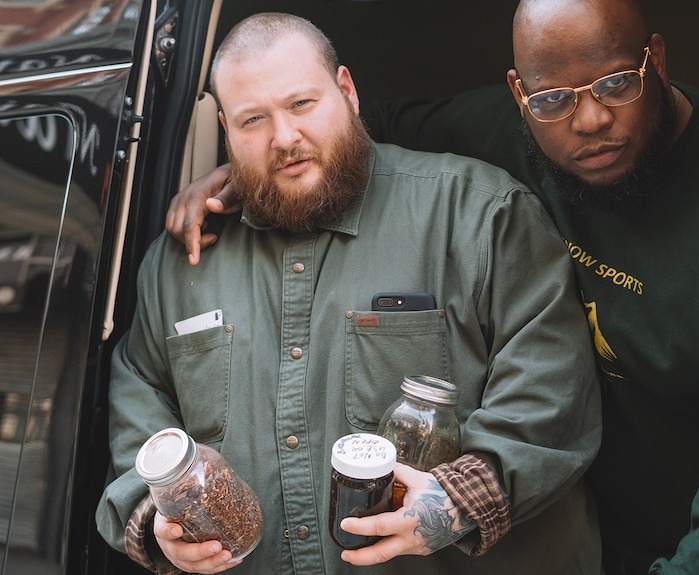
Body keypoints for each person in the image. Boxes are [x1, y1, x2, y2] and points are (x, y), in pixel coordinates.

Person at [168, 1, 699, 574]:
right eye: (555, 98)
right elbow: (364, 126)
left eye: (618, 83)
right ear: (519, 95)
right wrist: (260, 167)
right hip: (594, 529)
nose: (590, 119)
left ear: (658, 59)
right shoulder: (517, 128)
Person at [96, 11, 603, 575]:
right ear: (225, 128)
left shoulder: (479, 214)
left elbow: (552, 386)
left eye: (301, 105)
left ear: (347, 91)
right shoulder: (178, 263)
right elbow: (139, 398)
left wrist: (457, 502)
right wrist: (154, 520)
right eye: (253, 120)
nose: (284, 137)